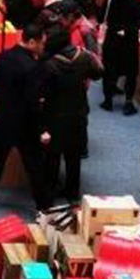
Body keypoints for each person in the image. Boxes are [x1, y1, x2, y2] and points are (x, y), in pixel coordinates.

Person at [0, 23, 52, 210]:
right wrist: (42, 129)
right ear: (31, 42)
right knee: (34, 165)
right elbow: (33, 102)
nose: (43, 47)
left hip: (3, 118)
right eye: (41, 43)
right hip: (25, 124)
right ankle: (43, 206)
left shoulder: (2, 56)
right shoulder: (32, 67)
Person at [40, 26, 103, 203]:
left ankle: (49, 192)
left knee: (52, 156)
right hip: (78, 112)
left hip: (55, 116)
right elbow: (98, 73)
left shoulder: (49, 64)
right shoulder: (83, 56)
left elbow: (42, 91)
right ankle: (72, 192)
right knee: (73, 156)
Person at [100, 0, 140, 115]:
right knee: (131, 72)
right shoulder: (137, 1)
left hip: (112, 39)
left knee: (109, 69)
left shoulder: (110, 0)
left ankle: (108, 100)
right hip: (129, 41)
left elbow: (101, 17)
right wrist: (129, 29)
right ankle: (128, 102)